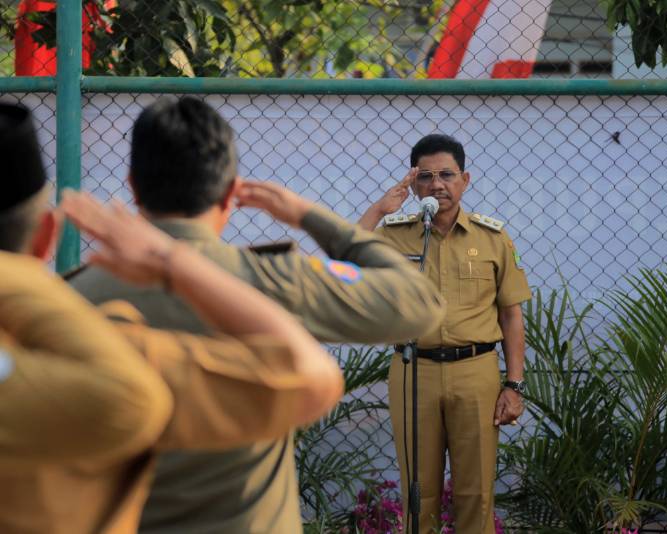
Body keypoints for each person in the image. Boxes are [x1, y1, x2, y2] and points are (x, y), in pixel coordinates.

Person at [68, 96, 445, 533]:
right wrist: (307, 215)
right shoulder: (273, 279)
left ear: (133, 186)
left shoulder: (72, 296)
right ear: (231, 193)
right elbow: (419, 303)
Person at [0, 101, 344, 533]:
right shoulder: (103, 360)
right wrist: (171, 263)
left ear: (134, 186)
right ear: (47, 235)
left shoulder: (81, 316)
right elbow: (311, 377)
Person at [359, 134, 532, 534]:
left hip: (475, 371)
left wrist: (514, 385)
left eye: (447, 175)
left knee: (476, 492)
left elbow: (511, 316)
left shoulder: (492, 238)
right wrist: (380, 209)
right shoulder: (395, 234)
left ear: (465, 180)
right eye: (426, 176)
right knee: (419, 492)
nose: (436, 184)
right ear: (413, 183)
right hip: (413, 371)